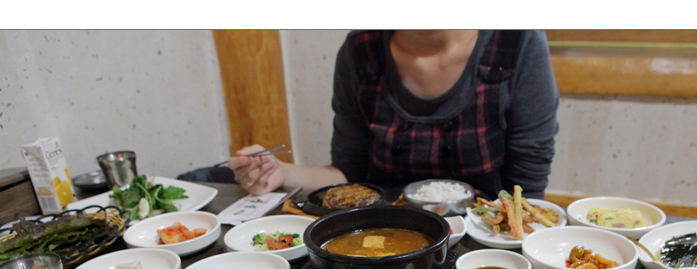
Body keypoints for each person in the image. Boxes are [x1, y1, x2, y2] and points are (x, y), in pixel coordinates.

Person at [229, 30, 559, 200]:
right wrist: (281, 172)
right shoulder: (360, 51)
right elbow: (348, 173)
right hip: (383, 240)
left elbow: (527, 191)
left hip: (482, 245)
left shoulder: (517, 43)